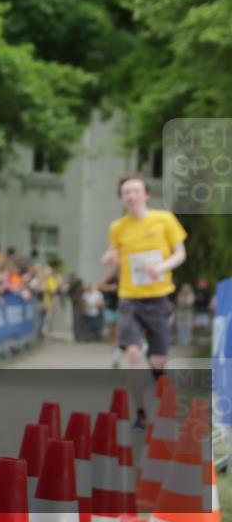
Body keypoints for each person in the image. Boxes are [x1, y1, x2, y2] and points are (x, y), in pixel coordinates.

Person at [101, 174, 186, 430]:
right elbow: (112, 255)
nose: (131, 196)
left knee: (158, 360)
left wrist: (161, 267)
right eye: (126, 192)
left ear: (146, 194)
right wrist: (108, 259)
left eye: (135, 191)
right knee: (132, 355)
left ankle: (165, 402)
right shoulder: (118, 227)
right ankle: (140, 412)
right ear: (121, 198)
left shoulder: (164, 219)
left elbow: (180, 254)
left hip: (158, 298)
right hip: (130, 298)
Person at [175, 283, 195, 347]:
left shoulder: (191, 295)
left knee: (187, 327)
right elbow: (179, 302)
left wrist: (185, 298)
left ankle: (187, 341)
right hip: (180, 313)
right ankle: (180, 341)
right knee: (180, 326)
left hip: (188, 313)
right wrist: (183, 298)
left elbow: (189, 303)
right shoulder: (180, 294)